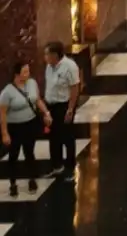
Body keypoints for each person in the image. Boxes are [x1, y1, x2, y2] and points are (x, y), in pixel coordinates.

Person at [1, 59, 50, 195]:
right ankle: (13, 183)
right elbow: (2, 114)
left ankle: (32, 179)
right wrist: (5, 133)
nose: (28, 74)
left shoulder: (32, 83)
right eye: (25, 72)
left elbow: (37, 100)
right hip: (15, 128)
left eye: (28, 71)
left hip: (30, 124)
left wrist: (46, 113)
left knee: (29, 152)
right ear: (17, 74)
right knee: (13, 155)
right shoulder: (7, 92)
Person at [42, 42, 80, 176]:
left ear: (55, 55)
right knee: (53, 136)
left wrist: (70, 109)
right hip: (51, 105)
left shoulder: (70, 66)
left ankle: (70, 168)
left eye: (47, 54)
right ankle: (56, 165)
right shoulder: (48, 66)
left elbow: (74, 88)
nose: (45, 57)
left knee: (67, 137)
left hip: (63, 105)